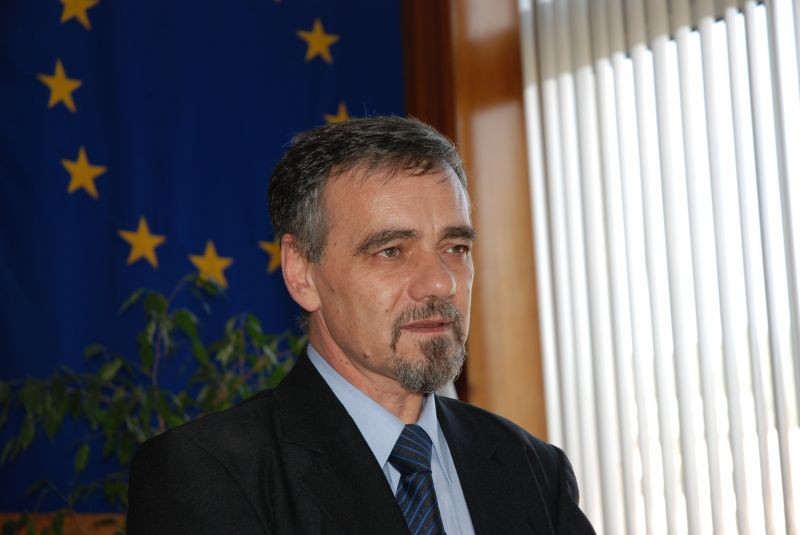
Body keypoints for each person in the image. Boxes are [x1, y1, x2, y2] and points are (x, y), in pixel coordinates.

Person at [127, 116, 595, 534]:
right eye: (391, 251)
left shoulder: (534, 469)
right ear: (302, 273)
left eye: (455, 248)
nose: (441, 282)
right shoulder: (208, 475)